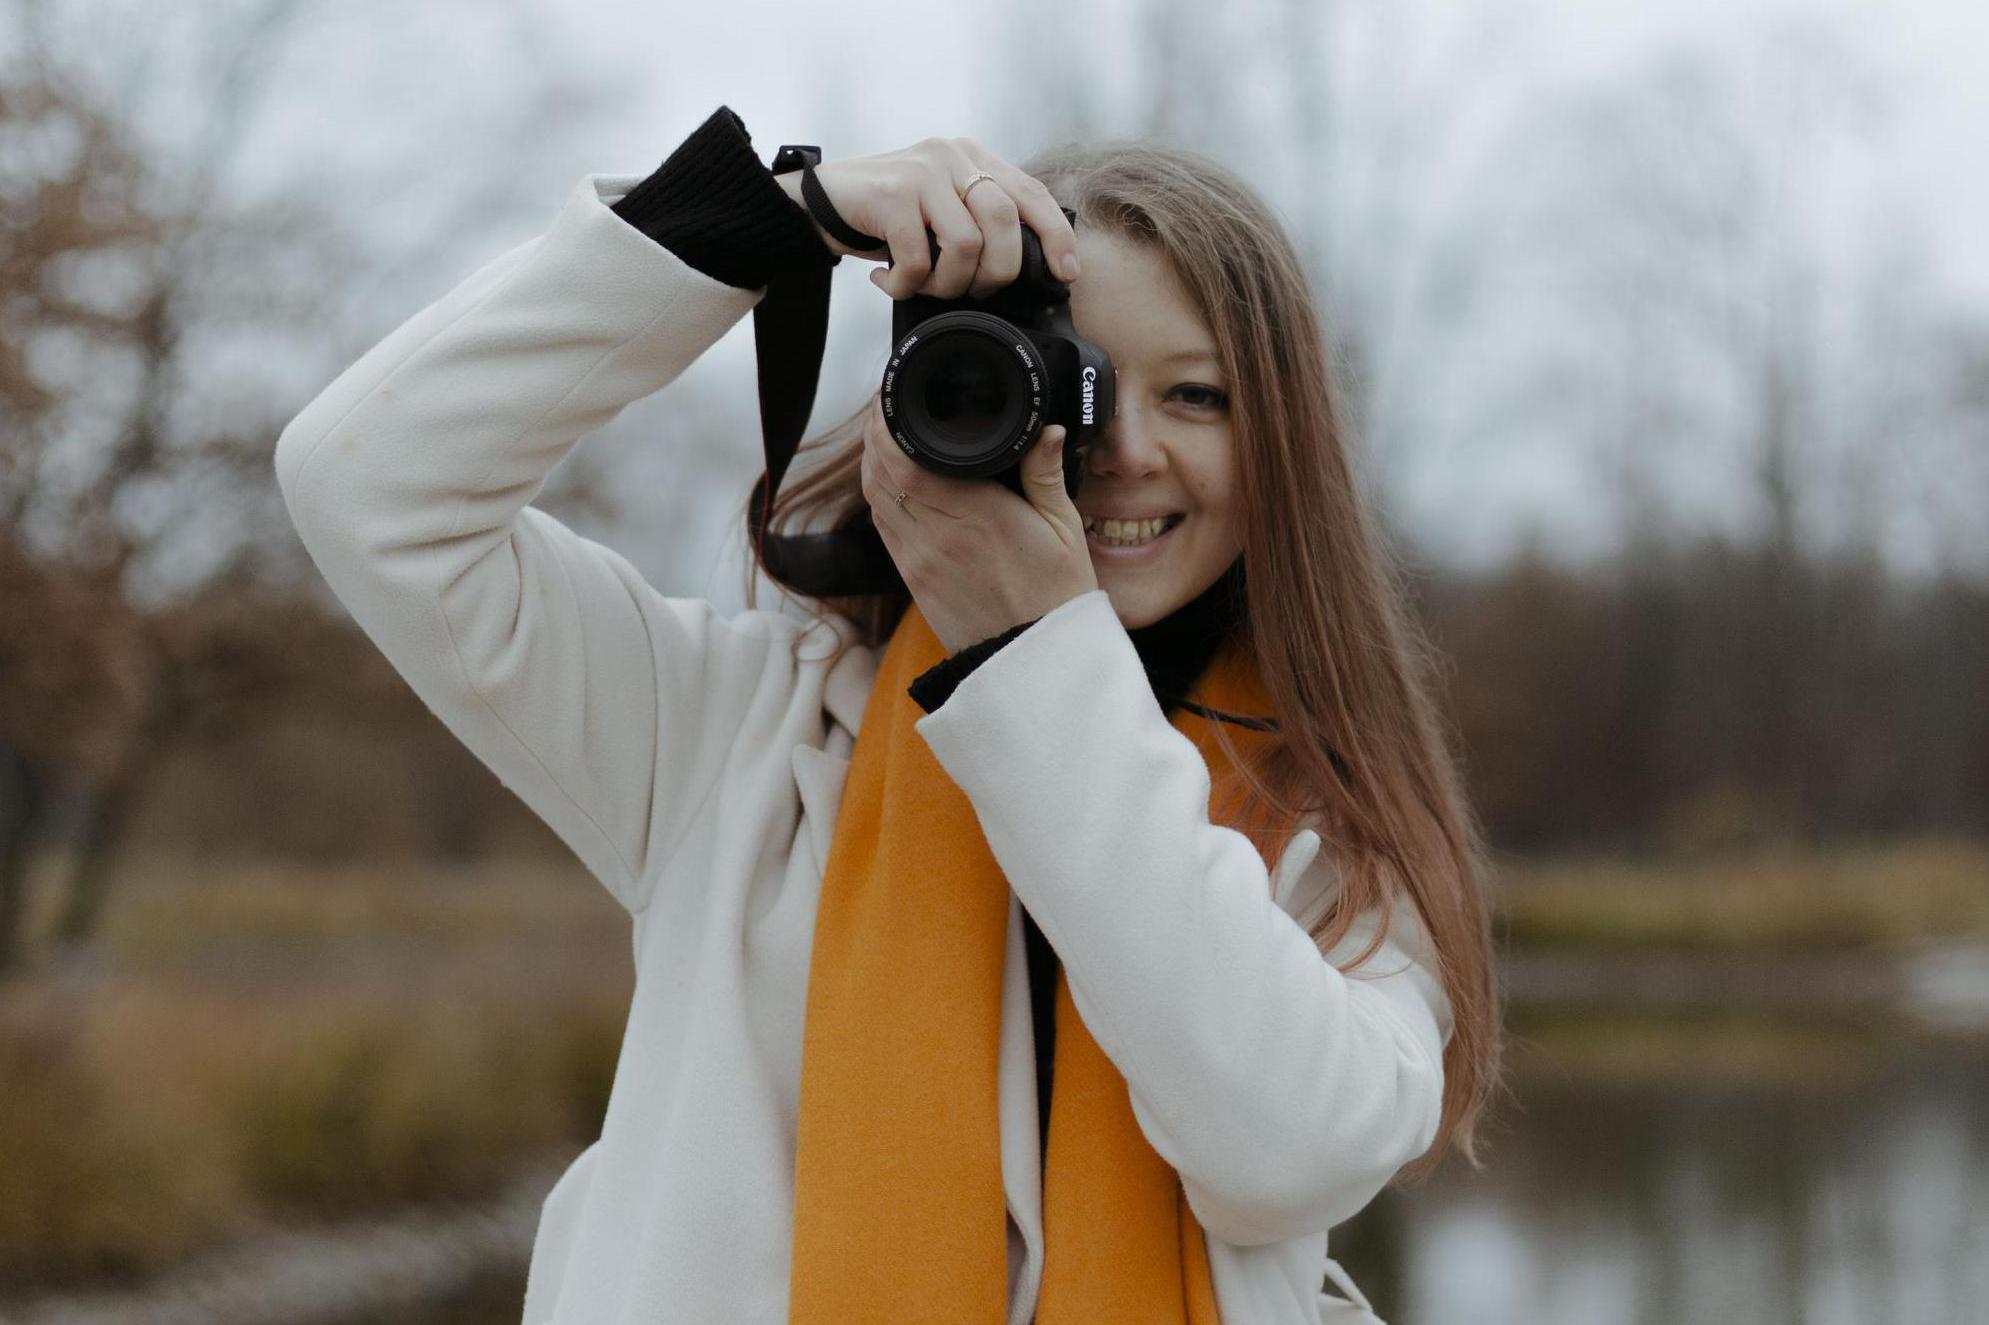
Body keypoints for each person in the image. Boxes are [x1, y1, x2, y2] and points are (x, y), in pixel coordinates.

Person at [273, 103, 1502, 1325]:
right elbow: (369, 485)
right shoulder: (736, 732)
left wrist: (1035, 655)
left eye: (1198, 397)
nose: (1121, 447)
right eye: (1074, 384)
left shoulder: (1339, 846)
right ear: (939, 394)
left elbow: (1288, 1148)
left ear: (1284, 443)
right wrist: (759, 222)